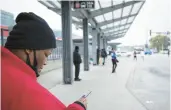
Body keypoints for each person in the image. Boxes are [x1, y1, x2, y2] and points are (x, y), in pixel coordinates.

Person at [1, 12, 87, 110]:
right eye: (46, 54)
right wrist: (79, 106)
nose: (45, 62)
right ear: (29, 48)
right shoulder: (21, 88)